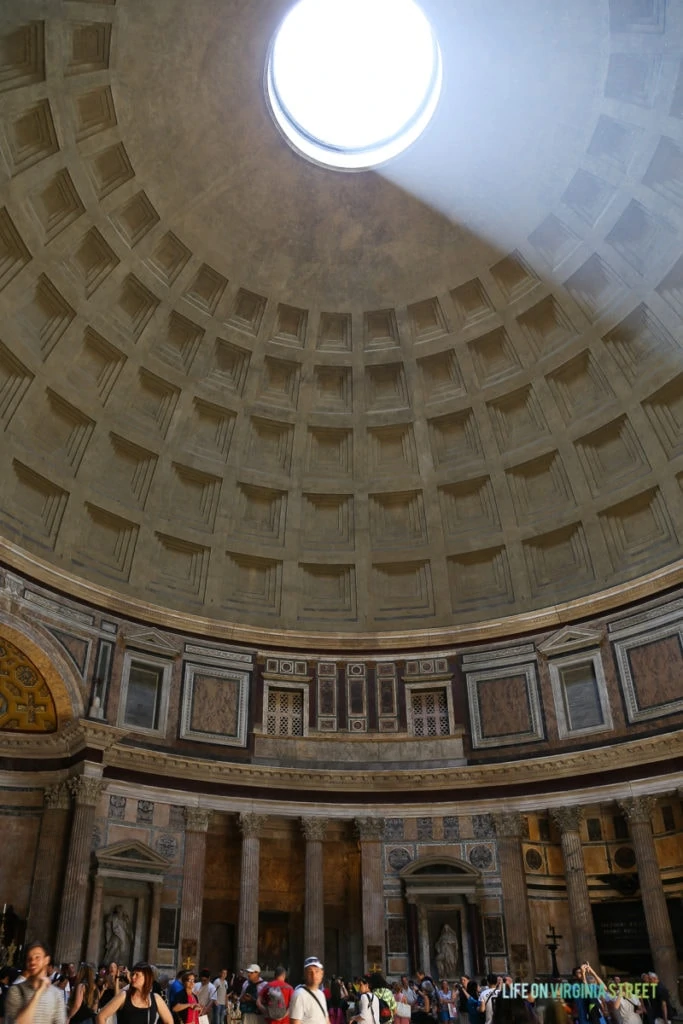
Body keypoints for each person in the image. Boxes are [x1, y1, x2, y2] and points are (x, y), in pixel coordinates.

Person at [5, 942, 66, 1024]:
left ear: (46, 960)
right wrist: (38, 993)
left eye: (37, 957)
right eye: (29, 959)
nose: (32, 962)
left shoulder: (56, 994)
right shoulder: (16, 991)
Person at [96, 963, 173, 1024]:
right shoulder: (123, 996)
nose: (133, 977)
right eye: (133, 974)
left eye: (137, 975)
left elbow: (169, 1021)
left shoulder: (155, 999)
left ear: (146, 978)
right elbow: (101, 1016)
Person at [289, 958, 328, 1024]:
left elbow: (326, 1020)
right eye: (310, 972)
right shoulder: (299, 995)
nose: (314, 975)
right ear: (305, 974)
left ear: (322, 973)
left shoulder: (321, 994)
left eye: (316, 971)